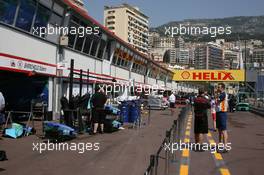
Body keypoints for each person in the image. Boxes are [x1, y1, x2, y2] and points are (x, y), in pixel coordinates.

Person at [216, 83, 229, 153]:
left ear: (222, 88)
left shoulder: (223, 94)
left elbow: (218, 100)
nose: (218, 88)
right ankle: (220, 145)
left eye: (219, 87)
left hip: (222, 112)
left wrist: (217, 96)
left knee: (223, 130)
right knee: (220, 130)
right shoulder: (220, 94)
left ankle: (225, 147)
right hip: (219, 112)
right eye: (218, 87)